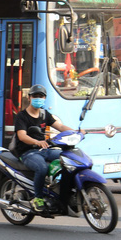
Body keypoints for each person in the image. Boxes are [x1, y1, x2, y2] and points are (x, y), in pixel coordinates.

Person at [13, 84, 77, 212]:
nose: (38, 98)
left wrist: (76, 132)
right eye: (35, 96)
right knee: (42, 168)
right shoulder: (22, 116)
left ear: (44, 98)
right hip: (27, 152)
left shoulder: (44, 114)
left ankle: (64, 195)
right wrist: (37, 142)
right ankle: (38, 198)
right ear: (29, 97)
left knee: (70, 160)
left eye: (41, 96)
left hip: (44, 149)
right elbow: (22, 136)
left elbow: (60, 127)